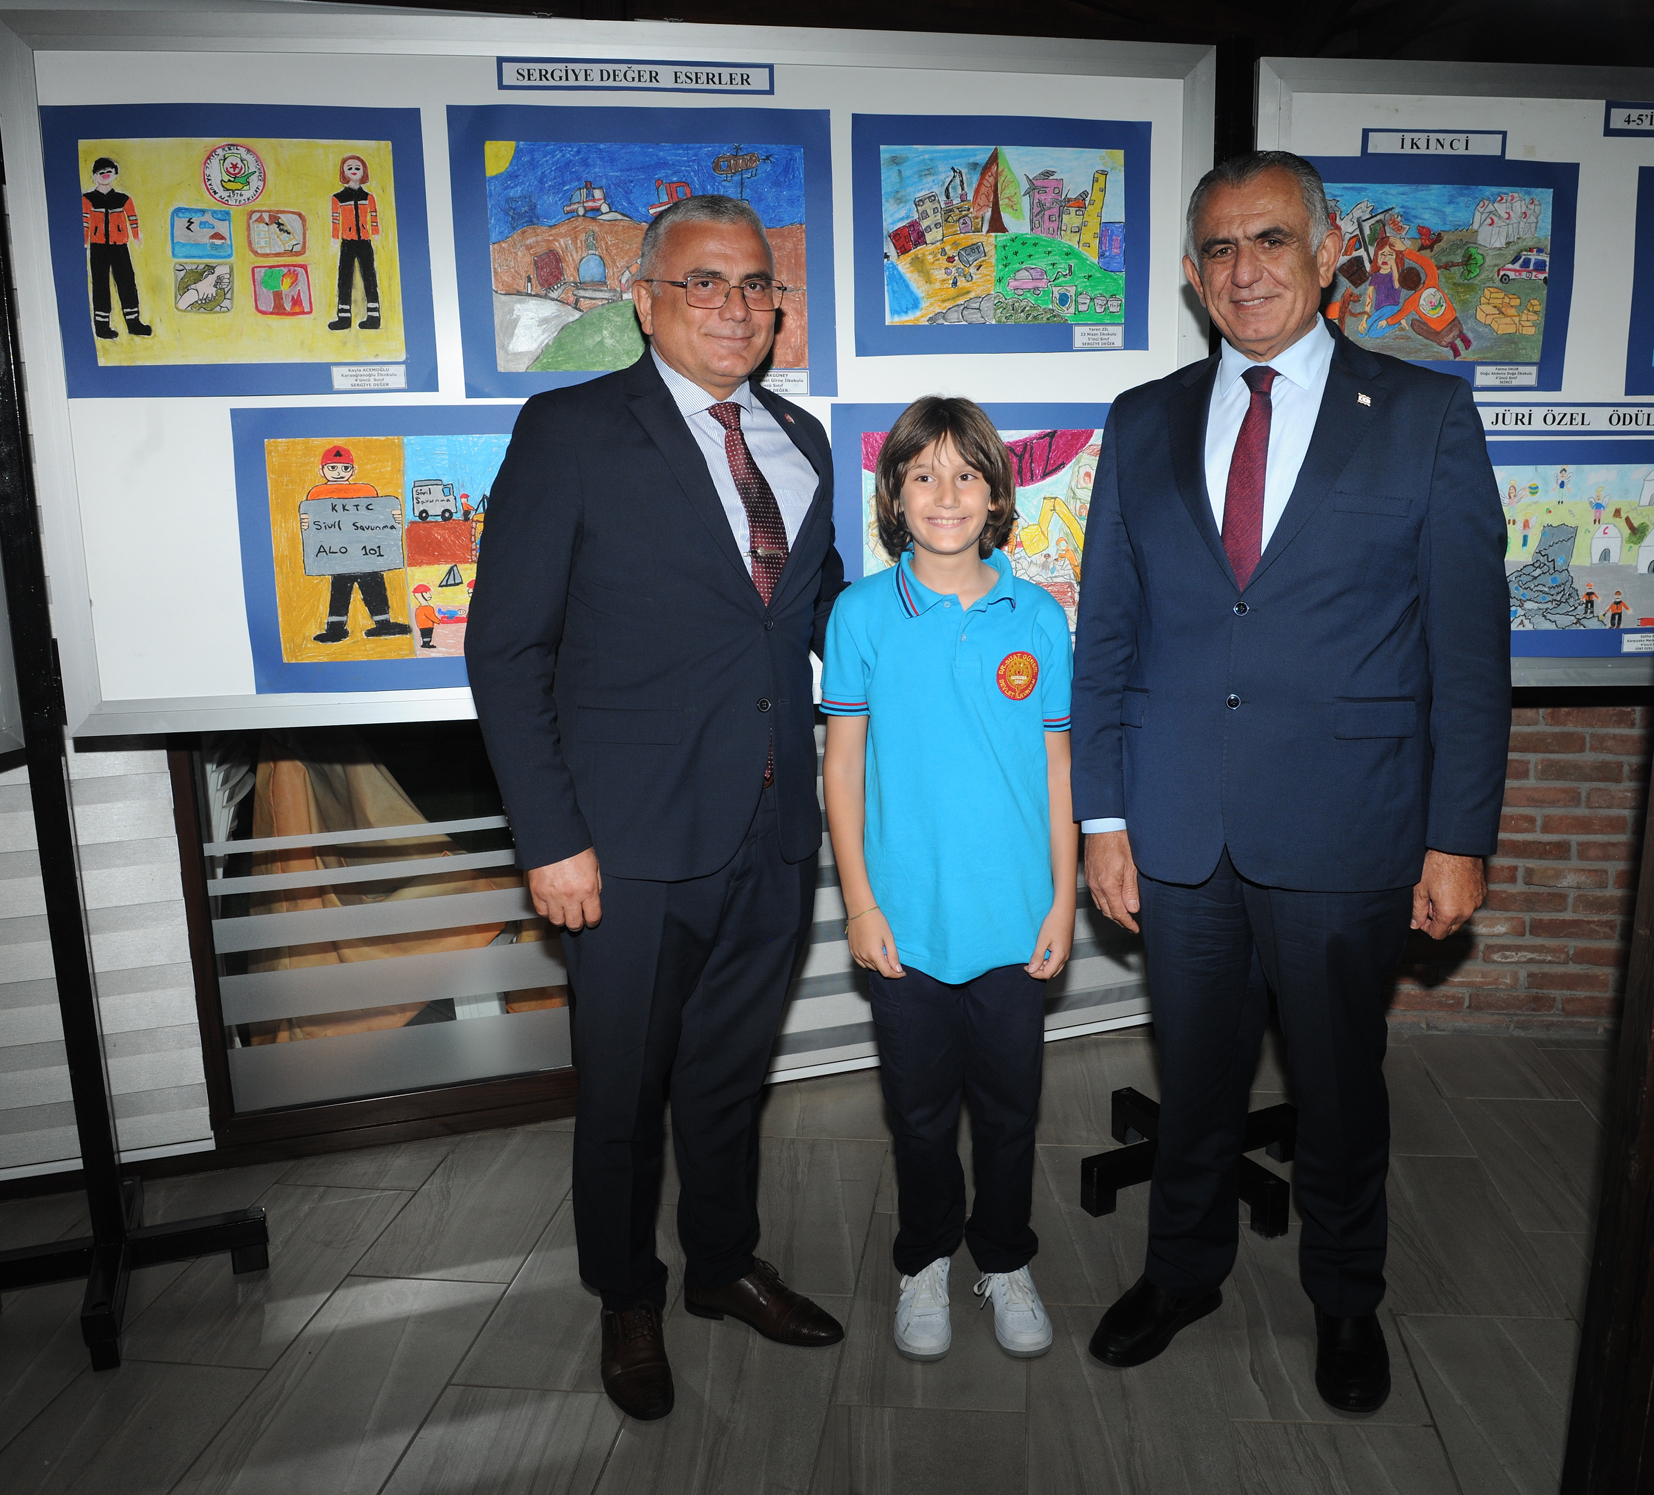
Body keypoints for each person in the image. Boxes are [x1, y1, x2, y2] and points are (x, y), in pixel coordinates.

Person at [1071, 151, 1509, 1415]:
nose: (1244, 268)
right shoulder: (1142, 419)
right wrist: (1103, 814)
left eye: (1270, 240)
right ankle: (1182, 1270)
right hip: (1175, 826)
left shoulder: (1423, 416)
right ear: (1190, 273)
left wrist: (1457, 835)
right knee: (1195, 1075)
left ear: (1326, 257)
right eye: (1218, 248)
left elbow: (1467, 652)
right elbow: (1109, 633)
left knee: (1337, 1085)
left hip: (1345, 822)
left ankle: (1345, 1293)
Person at [465, 194, 844, 1423]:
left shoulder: (801, 438)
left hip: (773, 830)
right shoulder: (570, 431)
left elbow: (817, 616)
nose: (734, 306)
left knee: (731, 1076)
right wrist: (550, 838)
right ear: (643, 302)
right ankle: (626, 1294)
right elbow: (505, 651)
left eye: (754, 284)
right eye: (703, 282)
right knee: (623, 1094)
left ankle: (722, 1263)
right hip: (621, 846)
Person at [821, 397, 1076, 1366]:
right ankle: (925, 1256)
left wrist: (1063, 899)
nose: (945, 494)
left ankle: (1004, 1257)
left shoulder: (1038, 616)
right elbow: (842, 766)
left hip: (1015, 919)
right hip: (906, 927)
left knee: (1010, 1113)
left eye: (966, 474)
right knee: (920, 1115)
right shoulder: (861, 615)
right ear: (892, 495)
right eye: (922, 474)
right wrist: (860, 902)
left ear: (996, 494)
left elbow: (1058, 767)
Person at [301, 445, 411, 643]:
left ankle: (383, 624)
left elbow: (378, 519)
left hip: (367, 553)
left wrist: (393, 517)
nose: (339, 472)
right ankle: (335, 628)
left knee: (374, 585)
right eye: (332, 468)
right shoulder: (316, 494)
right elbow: (314, 524)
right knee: (340, 589)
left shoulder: (366, 491)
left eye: (345, 468)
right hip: (337, 554)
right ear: (321, 471)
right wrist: (306, 522)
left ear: (353, 471)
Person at [81, 157, 151, 341]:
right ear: (95, 176)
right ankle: (102, 326)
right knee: (100, 284)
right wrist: (85, 241)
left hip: (120, 246)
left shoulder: (123, 199)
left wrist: (136, 236)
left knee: (127, 282)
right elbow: (84, 221)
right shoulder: (88, 199)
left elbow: (133, 218)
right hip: (98, 247)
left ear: (114, 174)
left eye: (108, 171)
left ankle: (134, 323)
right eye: (101, 172)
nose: (105, 175)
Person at [329, 154, 381, 332]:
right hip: (347, 242)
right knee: (344, 278)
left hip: (365, 242)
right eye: (349, 167)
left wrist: (375, 232)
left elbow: (374, 216)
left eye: (357, 168)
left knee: (370, 277)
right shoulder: (338, 197)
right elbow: (335, 219)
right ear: (343, 172)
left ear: (363, 171)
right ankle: (343, 318)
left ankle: (374, 317)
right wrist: (335, 237)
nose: (353, 170)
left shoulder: (369, 197)